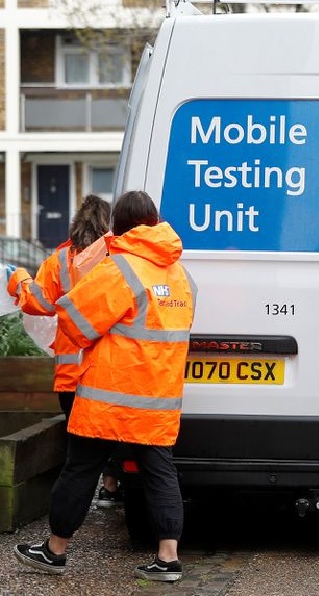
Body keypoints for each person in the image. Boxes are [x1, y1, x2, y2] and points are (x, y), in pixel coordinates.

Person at [13, 190, 196, 582]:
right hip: (159, 397)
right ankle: (168, 558)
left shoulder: (121, 269)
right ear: (155, 220)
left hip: (110, 395)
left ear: (121, 227)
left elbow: (75, 325)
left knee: (80, 468)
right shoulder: (181, 275)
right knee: (160, 472)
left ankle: (55, 550)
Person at [5, 195, 124, 507]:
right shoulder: (119, 257)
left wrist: (18, 279)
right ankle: (110, 486)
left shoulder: (59, 260)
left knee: (79, 448)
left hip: (71, 374)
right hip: (108, 371)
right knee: (114, 432)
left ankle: (70, 513)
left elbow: (39, 303)